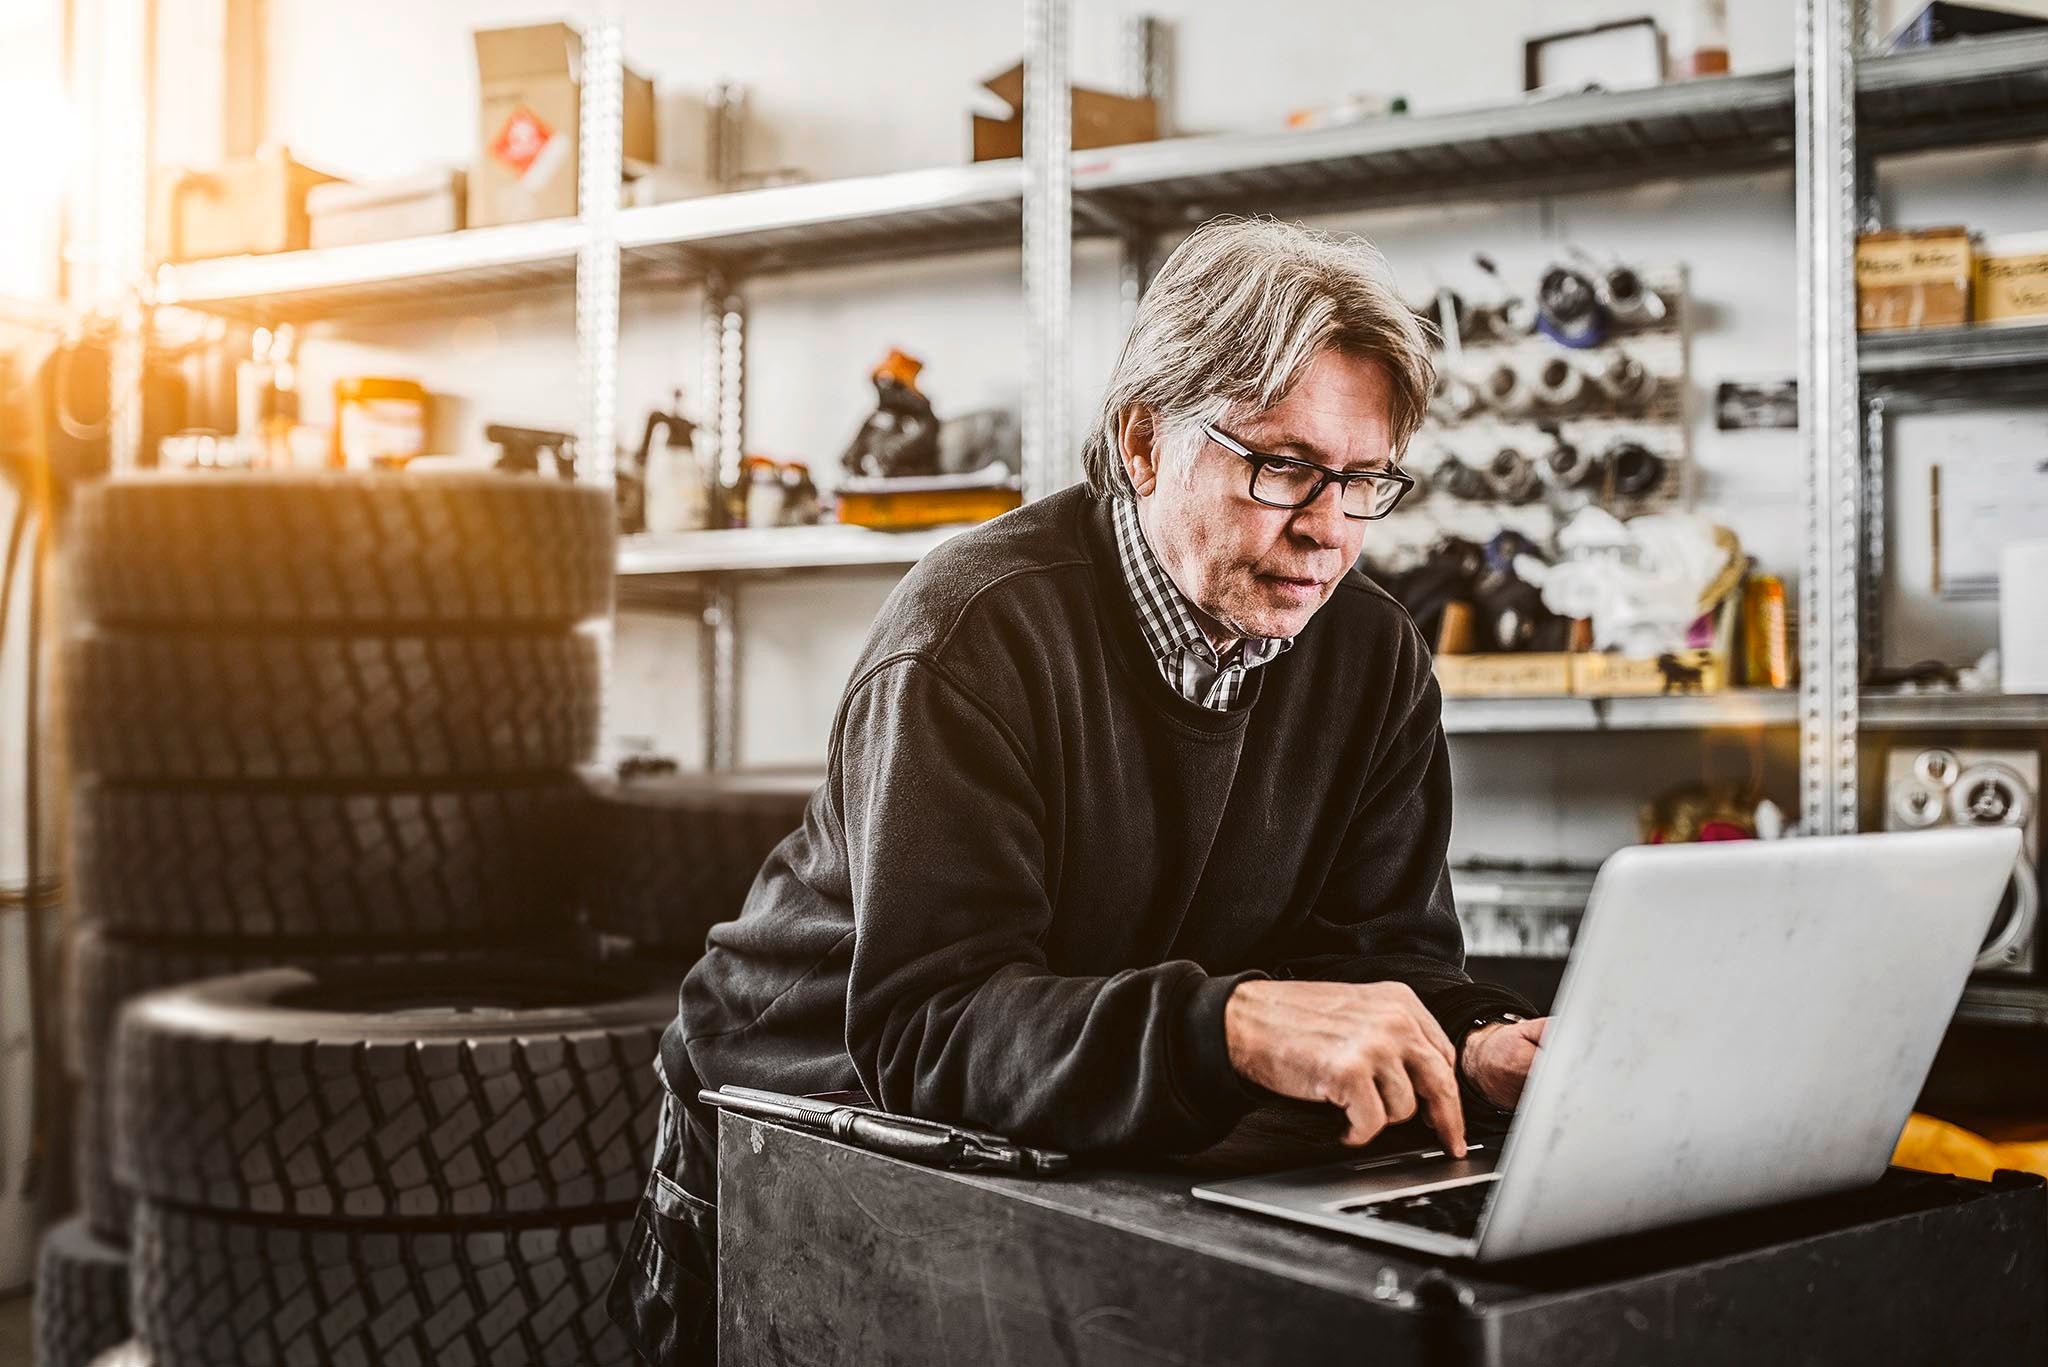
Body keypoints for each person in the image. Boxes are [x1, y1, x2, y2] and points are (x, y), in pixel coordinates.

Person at [610, 217, 1547, 1366]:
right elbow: (931, 1026)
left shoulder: (1371, 655)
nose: (1325, 530)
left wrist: (1476, 1039)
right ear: (1144, 442)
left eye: (1362, 482)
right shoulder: (973, 633)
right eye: (1282, 467)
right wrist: (1226, 1020)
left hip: (1064, 1136)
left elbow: (1382, 966)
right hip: (799, 1127)